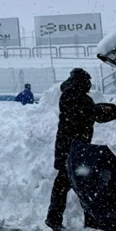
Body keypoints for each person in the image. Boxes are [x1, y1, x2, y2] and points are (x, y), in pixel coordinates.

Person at [45, 68, 111, 230]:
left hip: (70, 150)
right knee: (85, 184)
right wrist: (106, 109)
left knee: (71, 185)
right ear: (82, 82)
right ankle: (89, 220)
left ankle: (55, 217)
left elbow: (92, 113)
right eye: (87, 82)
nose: (89, 85)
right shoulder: (73, 97)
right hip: (74, 151)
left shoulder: (71, 95)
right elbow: (91, 113)